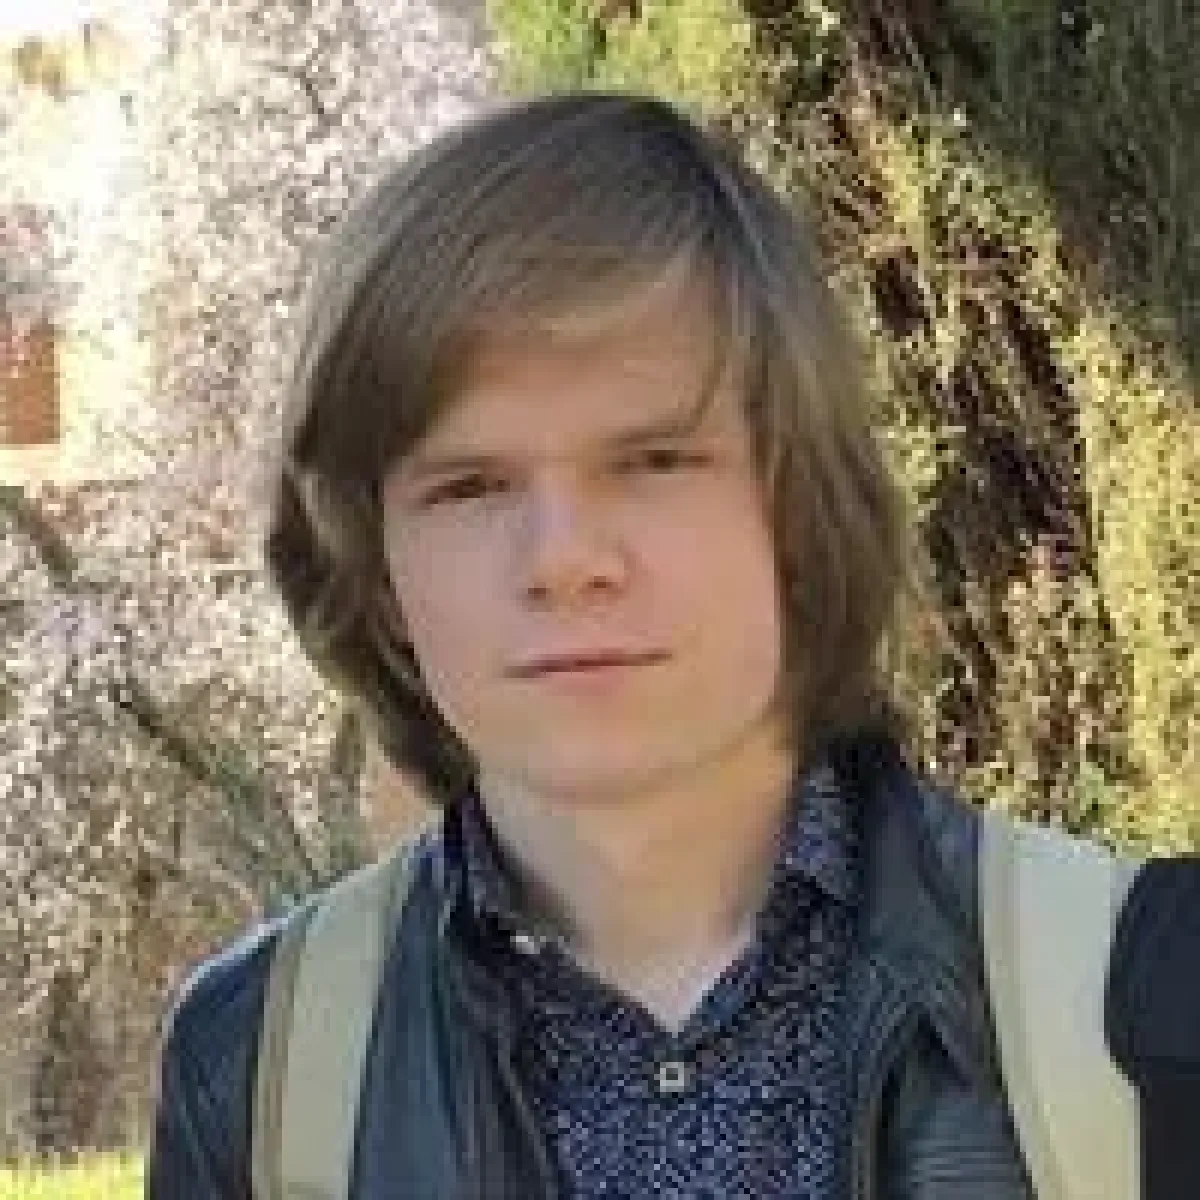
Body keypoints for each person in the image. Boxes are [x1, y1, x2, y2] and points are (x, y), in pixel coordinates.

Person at [145, 90, 1186, 1200]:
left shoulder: (1147, 1004)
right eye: (470, 486)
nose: (563, 559)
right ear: (379, 570)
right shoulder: (255, 1073)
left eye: (652, 462)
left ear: (796, 510)